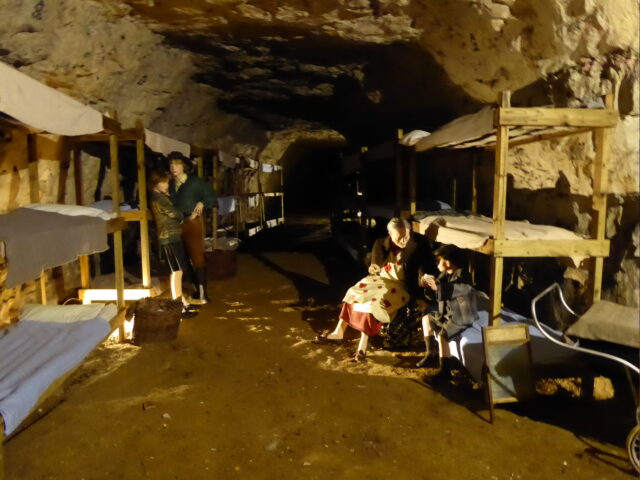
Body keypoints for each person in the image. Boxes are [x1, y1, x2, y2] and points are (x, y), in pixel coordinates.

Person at [320, 217, 434, 361]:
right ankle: (338, 332)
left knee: (374, 302)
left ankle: (363, 345)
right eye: (399, 238)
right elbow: (375, 260)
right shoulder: (381, 243)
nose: (404, 240)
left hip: (400, 285)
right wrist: (374, 265)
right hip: (380, 279)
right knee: (353, 292)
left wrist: (424, 279)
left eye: (406, 236)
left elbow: (423, 269)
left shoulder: (417, 248)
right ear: (390, 234)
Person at [416, 244, 478, 383]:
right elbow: (436, 295)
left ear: (448, 261)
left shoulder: (463, 275)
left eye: (439, 261)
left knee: (443, 335)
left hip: (462, 316)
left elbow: (462, 290)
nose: (437, 264)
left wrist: (437, 287)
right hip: (447, 313)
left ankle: (445, 371)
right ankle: (431, 352)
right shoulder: (445, 275)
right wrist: (429, 286)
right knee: (427, 318)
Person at [168, 153, 217, 303]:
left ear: (184, 166)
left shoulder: (195, 183)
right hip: (175, 224)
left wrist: (202, 203)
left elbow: (211, 195)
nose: (173, 168)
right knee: (181, 258)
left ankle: (203, 293)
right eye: (171, 165)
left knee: (197, 256)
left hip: (192, 222)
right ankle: (193, 288)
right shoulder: (170, 184)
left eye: (176, 164)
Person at [149, 171, 199, 316]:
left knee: (177, 271)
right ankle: (179, 305)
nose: (166, 185)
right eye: (163, 182)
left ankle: (182, 302)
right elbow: (175, 214)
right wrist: (185, 214)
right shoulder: (159, 199)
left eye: (167, 182)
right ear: (155, 184)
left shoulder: (161, 198)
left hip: (172, 235)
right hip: (168, 237)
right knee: (176, 271)